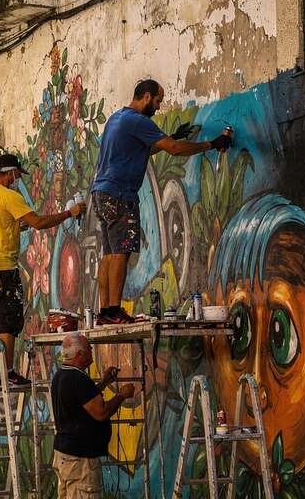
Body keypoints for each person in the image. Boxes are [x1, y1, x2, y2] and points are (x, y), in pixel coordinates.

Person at [90, 79, 232, 324]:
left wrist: (171, 136)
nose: (158, 107)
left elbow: (142, 149)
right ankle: (114, 311)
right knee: (122, 252)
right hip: (120, 194)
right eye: (157, 101)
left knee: (109, 253)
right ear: (146, 96)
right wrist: (212, 144)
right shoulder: (138, 120)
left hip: (102, 194)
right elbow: (174, 149)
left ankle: (105, 312)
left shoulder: (117, 118)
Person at [0, 152, 85, 386]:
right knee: (8, 319)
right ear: (11, 173)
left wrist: (16, 227)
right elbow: (39, 223)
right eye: (17, 175)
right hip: (3, 267)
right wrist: (69, 213)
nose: (18, 180)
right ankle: (8, 373)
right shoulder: (9, 196)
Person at [49, 332, 134, 499]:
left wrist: (104, 382)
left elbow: (84, 401)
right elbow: (100, 412)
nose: (92, 354)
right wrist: (122, 395)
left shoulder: (62, 375)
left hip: (64, 450)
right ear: (80, 354)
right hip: (80, 454)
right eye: (89, 350)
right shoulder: (78, 379)